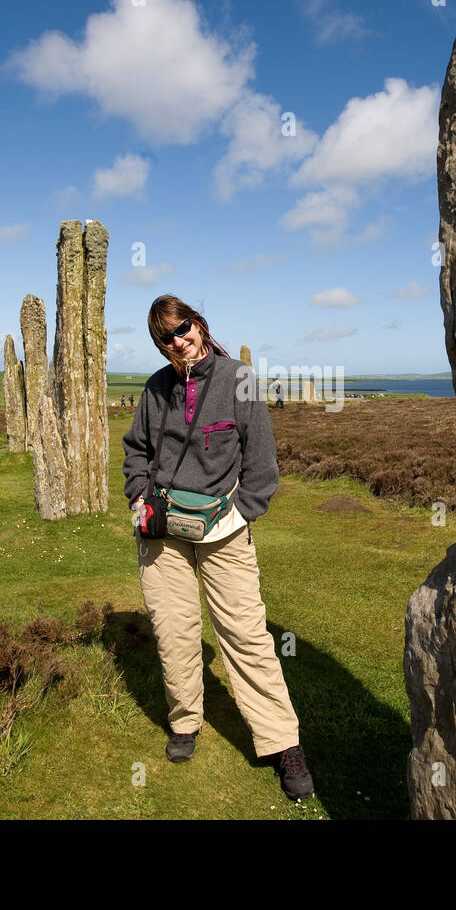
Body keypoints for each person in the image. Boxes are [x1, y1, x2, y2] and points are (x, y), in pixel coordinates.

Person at [121, 294, 314, 800]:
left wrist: (242, 510)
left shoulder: (239, 378)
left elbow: (262, 460)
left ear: (199, 325)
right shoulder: (156, 387)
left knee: (247, 636)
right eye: (166, 336)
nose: (178, 340)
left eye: (183, 327)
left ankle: (282, 742)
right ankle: (185, 721)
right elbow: (136, 450)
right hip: (162, 531)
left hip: (223, 530)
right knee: (173, 631)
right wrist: (139, 499)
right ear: (160, 346)